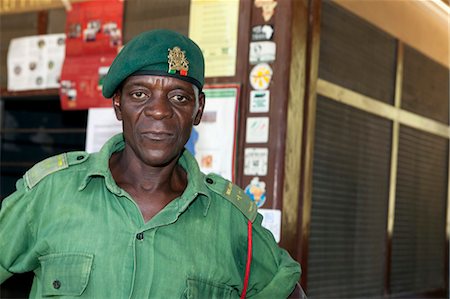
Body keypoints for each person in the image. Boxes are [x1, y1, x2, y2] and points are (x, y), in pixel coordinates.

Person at [0, 29, 301, 298]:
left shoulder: (232, 222)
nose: (159, 111)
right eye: (140, 94)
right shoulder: (51, 193)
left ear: (199, 110)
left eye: (179, 98)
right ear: (118, 104)